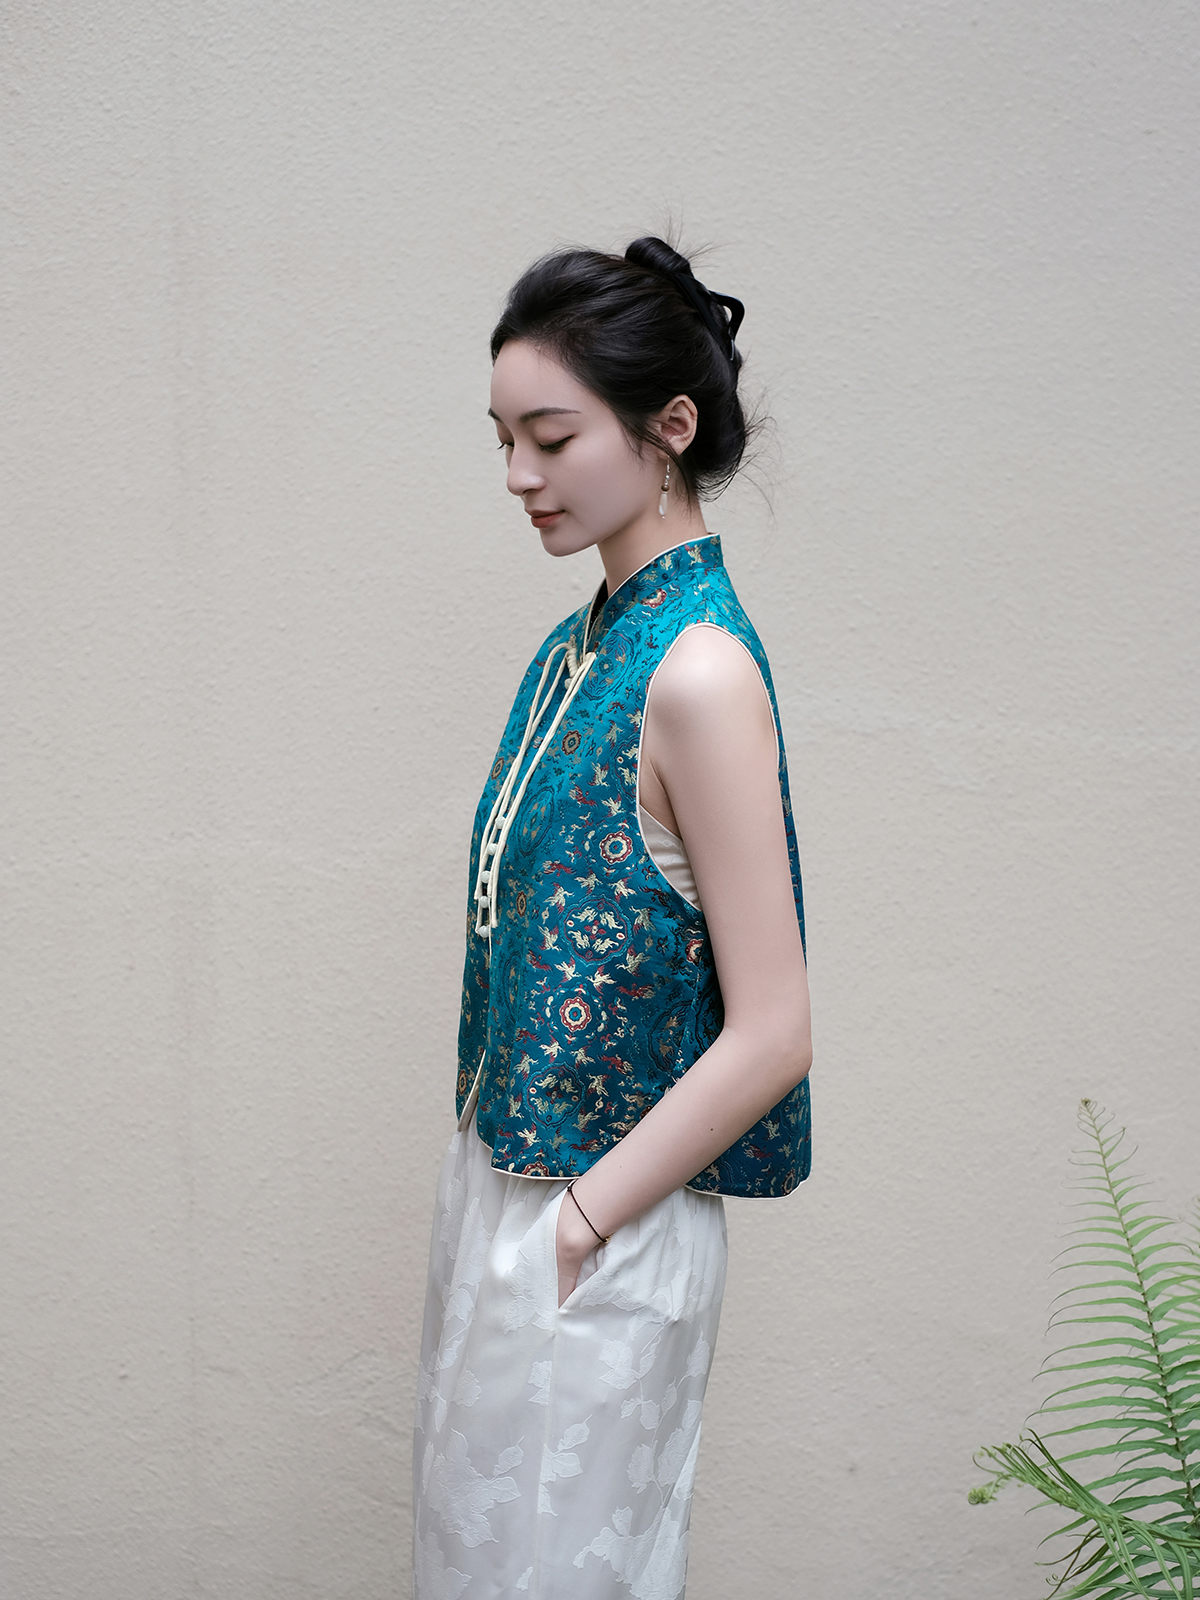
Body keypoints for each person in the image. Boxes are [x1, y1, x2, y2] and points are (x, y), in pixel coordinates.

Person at [412, 237, 812, 1600]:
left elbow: (775, 1029)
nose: (519, 475)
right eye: (503, 441)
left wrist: (579, 1225)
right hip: (509, 1193)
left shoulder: (696, 672)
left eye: (551, 436)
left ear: (669, 428)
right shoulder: (578, 649)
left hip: (599, 1218)